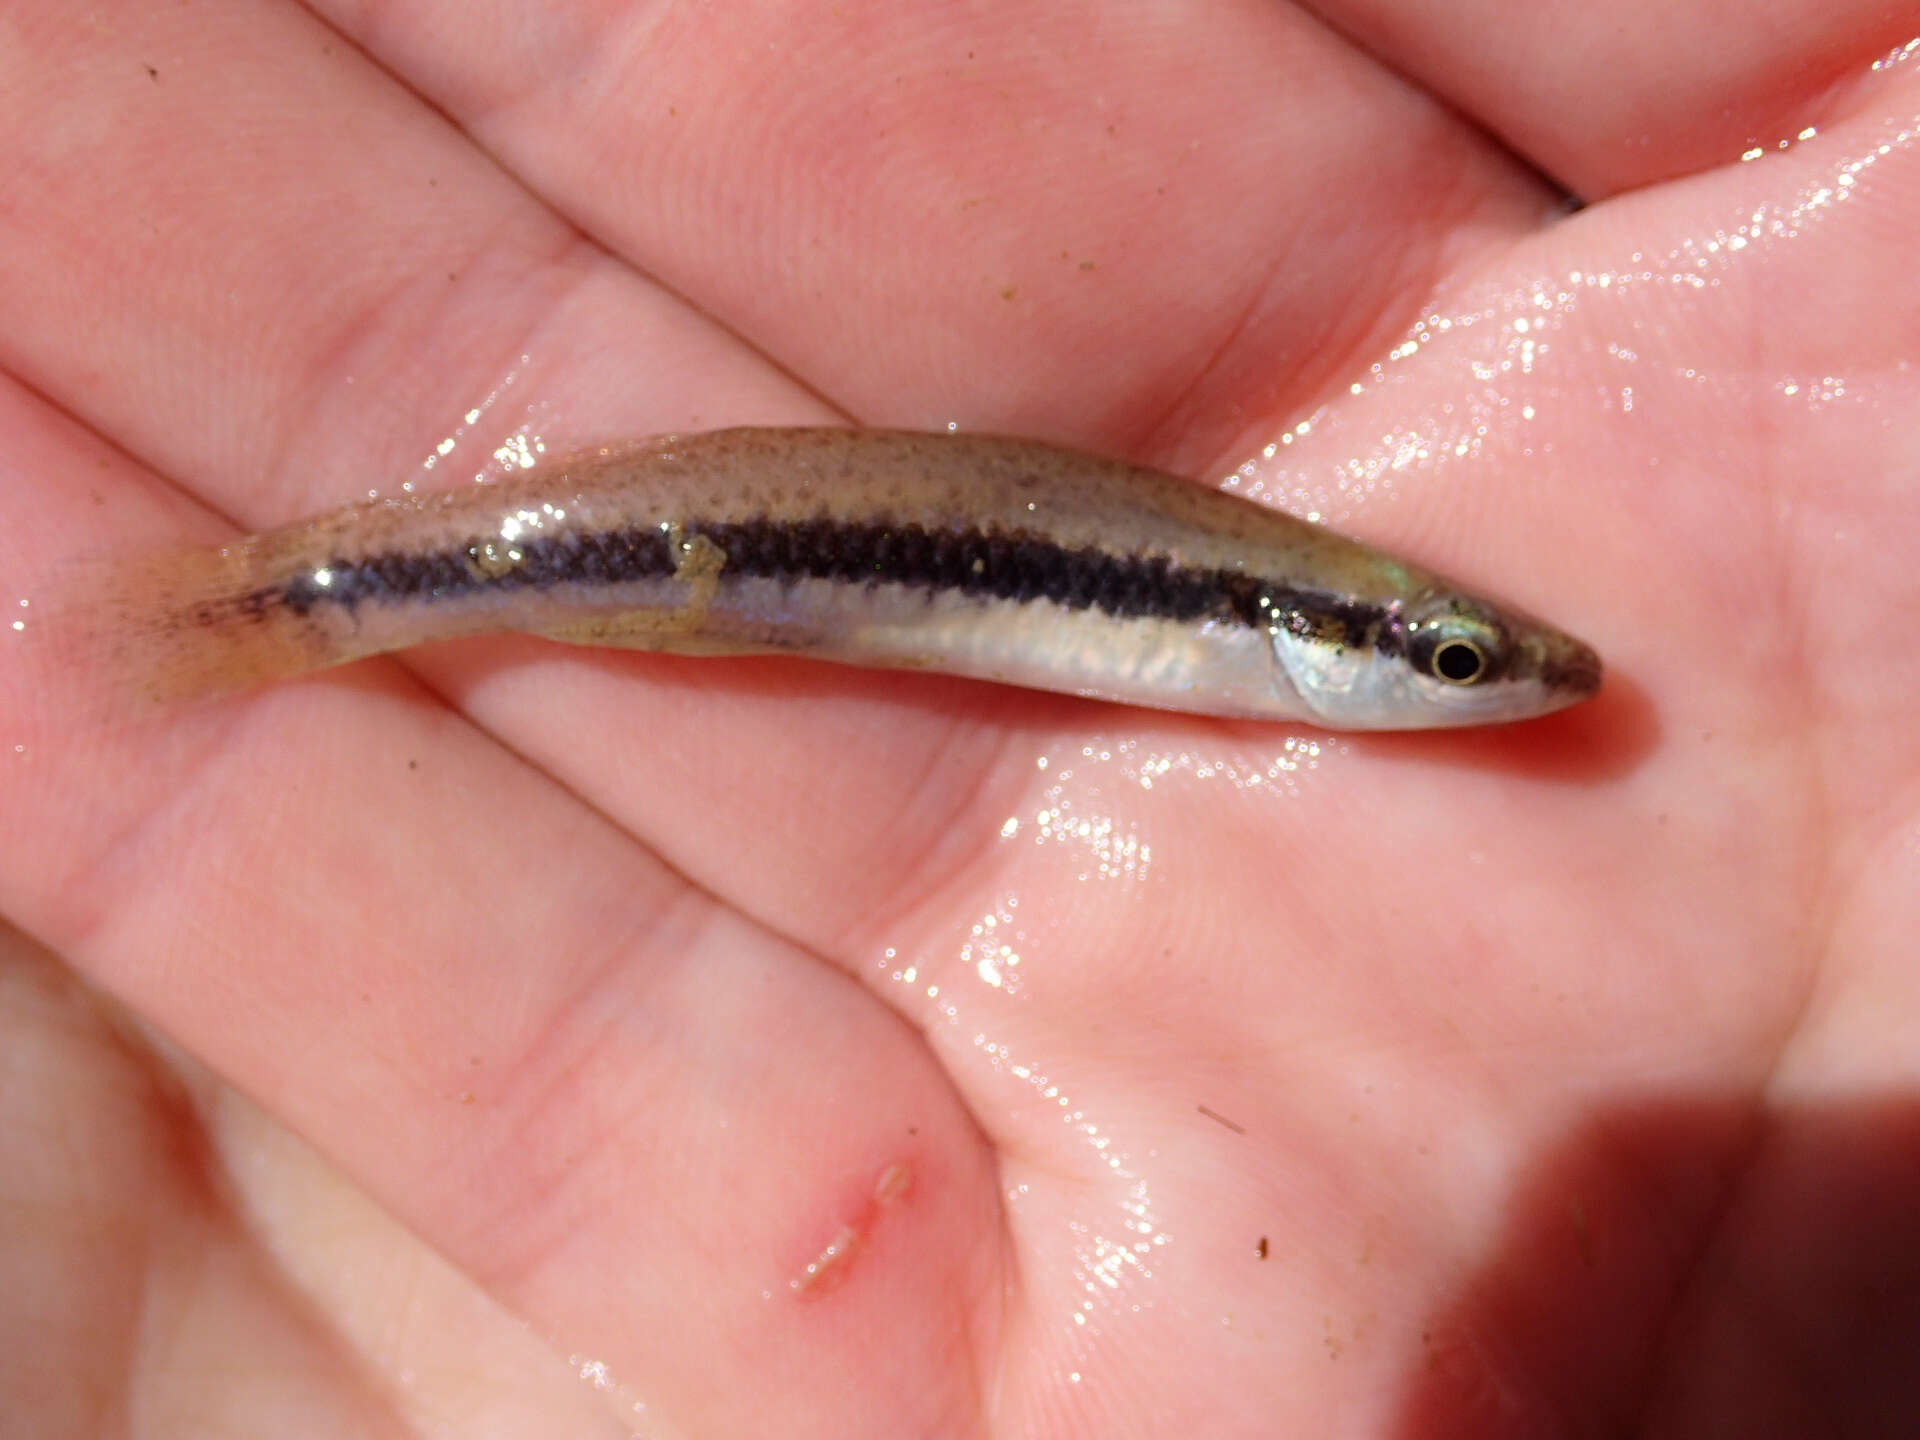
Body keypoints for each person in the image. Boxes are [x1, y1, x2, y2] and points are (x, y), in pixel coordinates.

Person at [2, 3, 1916, 1435]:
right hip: (751, 540)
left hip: (814, 545)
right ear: (1323, 631)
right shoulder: (1252, 611)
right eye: (1459, 661)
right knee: (538, 570)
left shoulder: (1260, 622)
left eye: (1461, 660)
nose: (1491, 683)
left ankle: (303, 598)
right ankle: (301, 599)